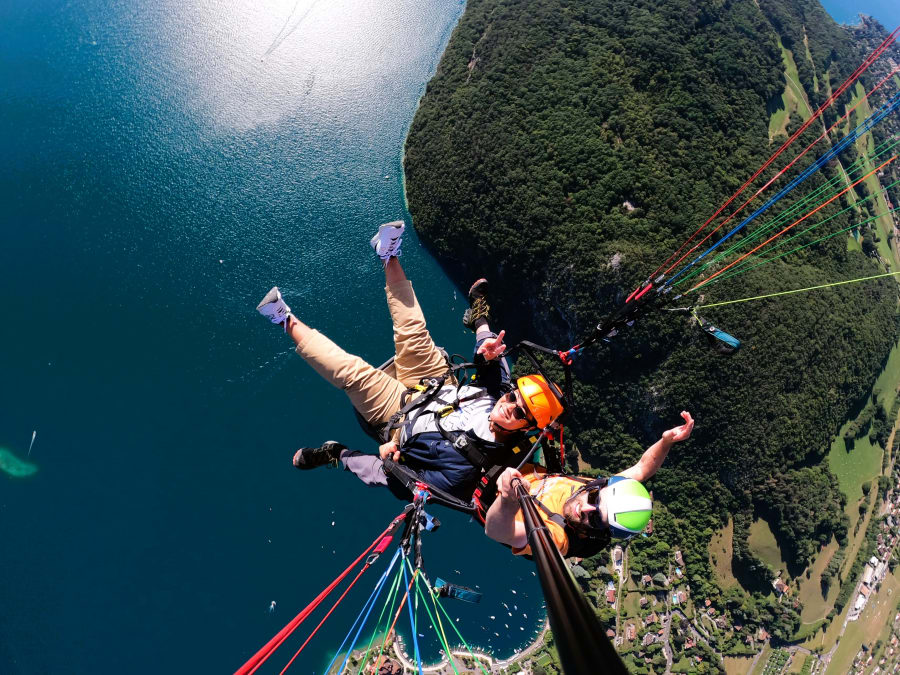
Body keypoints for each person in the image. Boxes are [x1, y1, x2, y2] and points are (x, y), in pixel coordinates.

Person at [256, 220, 565, 501]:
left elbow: (407, 486)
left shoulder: (467, 472)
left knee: (350, 373)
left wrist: (389, 460)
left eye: (520, 411)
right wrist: (483, 358)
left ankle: (284, 319)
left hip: (397, 416)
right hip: (436, 379)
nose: (510, 405)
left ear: (526, 426)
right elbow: (490, 368)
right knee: (416, 330)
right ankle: (389, 254)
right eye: (515, 397)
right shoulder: (500, 393)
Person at [484, 411, 694, 557]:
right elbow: (641, 470)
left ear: (597, 532)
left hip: (486, 486)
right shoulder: (598, 488)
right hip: (517, 463)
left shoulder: (559, 537)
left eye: (594, 518)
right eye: (594, 499)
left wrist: (506, 498)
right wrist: (666, 442)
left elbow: (497, 531)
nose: (584, 508)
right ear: (600, 487)